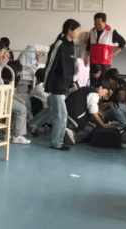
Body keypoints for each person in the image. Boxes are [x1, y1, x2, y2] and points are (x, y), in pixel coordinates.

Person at [42, 19, 82, 151]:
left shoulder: (71, 45)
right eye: (77, 30)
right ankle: (56, 143)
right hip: (56, 85)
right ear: (69, 31)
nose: (78, 33)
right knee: (61, 115)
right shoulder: (59, 44)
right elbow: (50, 65)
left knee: (55, 112)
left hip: (64, 85)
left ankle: (33, 126)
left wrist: (71, 83)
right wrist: (47, 84)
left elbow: (70, 66)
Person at [64, 78, 114, 144]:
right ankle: (72, 135)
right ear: (100, 88)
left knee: (92, 128)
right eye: (106, 93)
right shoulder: (94, 93)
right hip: (74, 120)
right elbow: (93, 112)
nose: (105, 96)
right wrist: (103, 125)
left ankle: (69, 132)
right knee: (92, 132)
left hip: (67, 117)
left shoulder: (86, 90)